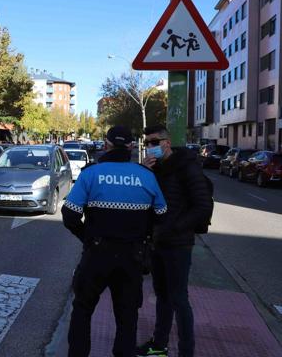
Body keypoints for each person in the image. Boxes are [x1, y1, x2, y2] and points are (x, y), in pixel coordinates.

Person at [62, 126, 167, 357]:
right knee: (127, 317)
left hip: (97, 254)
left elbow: (69, 215)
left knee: (82, 310)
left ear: (106, 145)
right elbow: (162, 215)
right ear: (131, 147)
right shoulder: (146, 176)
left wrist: (88, 238)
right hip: (132, 257)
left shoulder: (91, 174)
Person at [136, 125, 213, 357]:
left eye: (154, 142)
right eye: (146, 143)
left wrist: (174, 227)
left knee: (179, 299)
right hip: (157, 242)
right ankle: (159, 345)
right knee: (162, 296)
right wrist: (144, 172)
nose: (149, 146)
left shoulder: (187, 167)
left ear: (166, 143)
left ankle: (186, 351)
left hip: (178, 244)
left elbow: (203, 206)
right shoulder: (154, 169)